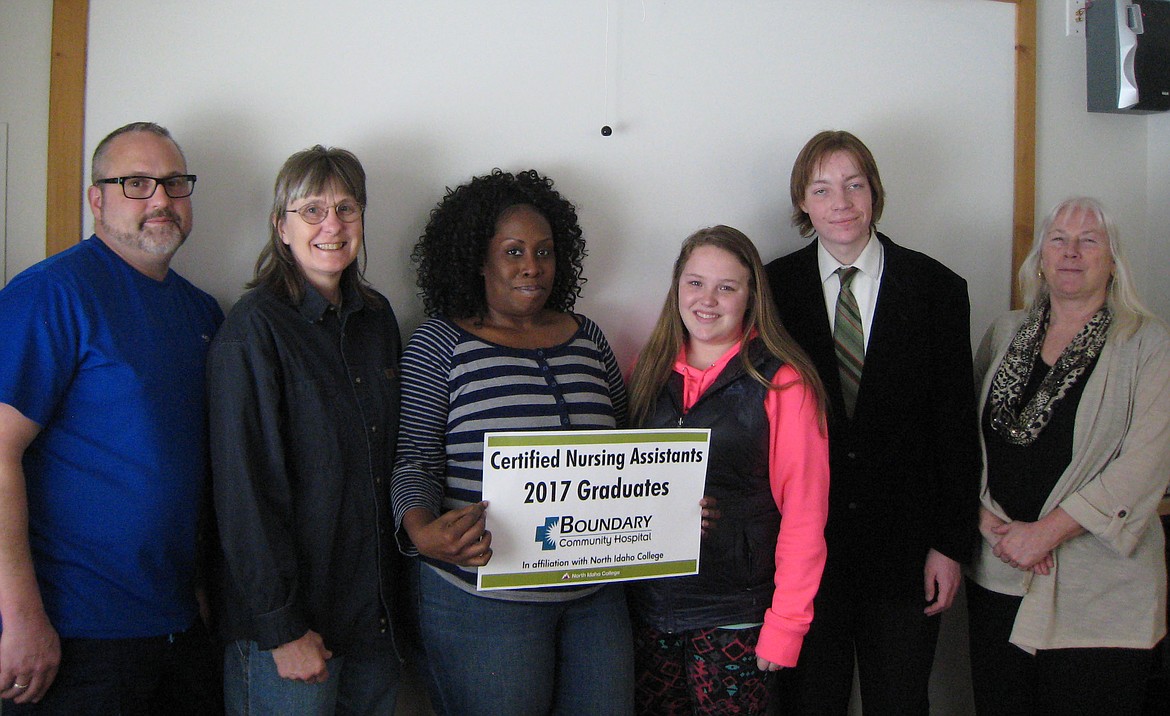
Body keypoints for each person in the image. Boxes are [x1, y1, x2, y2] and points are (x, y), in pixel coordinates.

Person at [0, 122, 224, 714]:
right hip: (74, 636)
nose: (160, 199)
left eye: (175, 183)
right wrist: (17, 619)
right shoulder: (51, 295)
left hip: (179, 629)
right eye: (136, 183)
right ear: (96, 198)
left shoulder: (202, 312)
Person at [391, 168, 634, 715]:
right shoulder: (440, 343)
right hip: (482, 600)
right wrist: (422, 531)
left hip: (595, 596)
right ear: (478, 259)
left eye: (544, 251)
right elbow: (414, 459)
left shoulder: (588, 336)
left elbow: (629, 449)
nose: (532, 266)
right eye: (514, 251)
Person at [765, 130, 981, 714]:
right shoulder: (770, 290)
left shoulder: (937, 289)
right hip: (806, 556)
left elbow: (957, 429)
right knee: (811, 702)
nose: (841, 201)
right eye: (823, 188)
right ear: (803, 202)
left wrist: (948, 544)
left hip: (907, 554)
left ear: (874, 193)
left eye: (854, 184)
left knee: (901, 701)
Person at [207, 146, 402, 714]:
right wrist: (282, 628)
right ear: (281, 226)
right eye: (311, 210)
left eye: (346, 208)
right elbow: (243, 495)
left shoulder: (376, 319)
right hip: (287, 637)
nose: (332, 226)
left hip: (372, 623)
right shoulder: (252, 332)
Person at [966, 197, 1170, 716]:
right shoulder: (1005, 332)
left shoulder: (1147, 343)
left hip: (1099, 588)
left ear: (1113, 260)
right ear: (1040, 257)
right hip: (1000, 573)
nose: (1072, 252)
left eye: (1090, 240)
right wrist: (988, 521)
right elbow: (965, 440)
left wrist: (1046, 532)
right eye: (1058, 239)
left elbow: (1146, 463)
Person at [625, 226, 829, 714]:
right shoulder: (645, 372)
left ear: (751, 296)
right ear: (677, 287)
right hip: (650, 609)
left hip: (737, 613)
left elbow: (805, 514)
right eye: (695, 283)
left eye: (726, 287)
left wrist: (787, 625)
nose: (707, 300)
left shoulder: (783, 381)